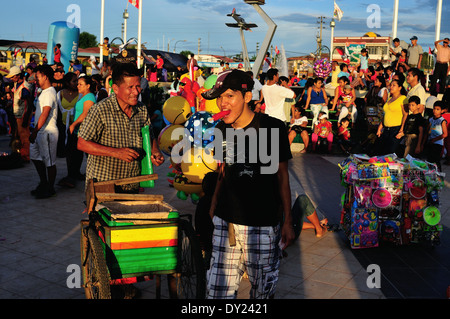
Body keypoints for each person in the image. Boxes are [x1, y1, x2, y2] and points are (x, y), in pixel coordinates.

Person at [201, 69, 295, 299]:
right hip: (226, 223)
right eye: (220, 97)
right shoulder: (222, 129)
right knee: (217, 292)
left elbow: (282, 176)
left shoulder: (272, 128)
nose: (223, 103)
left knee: (262, 293)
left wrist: (288, 220)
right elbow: (223, 169)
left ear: (247, 97)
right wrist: (214, 202)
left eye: (229, 96)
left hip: (262, 226)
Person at [77, 63, 165, 194]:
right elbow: (82, 143)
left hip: (132, 184)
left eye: (138, 86)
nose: (136, 92)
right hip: (103, 185)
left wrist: (155, 151)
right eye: (130, 87)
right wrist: (116, 152)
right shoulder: (100, 110)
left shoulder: (141, 109)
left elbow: (149, 135)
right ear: (116, 89)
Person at [59, 76, 97, 187]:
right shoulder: (83, 96)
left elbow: (85, 113)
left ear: (88, 86)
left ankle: (72, 178)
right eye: (77, 84)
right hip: (78, 130)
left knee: (75, 155)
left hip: (83, 131)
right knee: (75, 155)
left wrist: (74, 124)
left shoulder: (89, 97)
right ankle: (74, 175)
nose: (77, 86)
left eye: (80, 84)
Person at [29, 64, 59, 199]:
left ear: (45, 77)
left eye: (38, 77)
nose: (36, 80)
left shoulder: (49, 92)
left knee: (49, 162)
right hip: (40, 131)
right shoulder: (44, 92)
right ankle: (43, 182)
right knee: (35, 156)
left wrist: (35, 131)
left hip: (47, 132)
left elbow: (45, 113)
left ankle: (50, 187)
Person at [6, 65, 33, 162]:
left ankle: (25, 156)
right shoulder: (16, 84)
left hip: (23, 115)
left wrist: (26, 118)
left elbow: (29, 103)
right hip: (18, 115)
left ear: (17, 76)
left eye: (12, 77)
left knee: (24, 137)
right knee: (19, 136)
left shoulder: (24, 87)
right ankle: (20, 153)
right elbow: (17, 97)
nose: (11, 79)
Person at [376, 79, 408, 155]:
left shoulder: (403, 98)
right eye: (391, 85)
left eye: (394, 85)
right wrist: (380, 126)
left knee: (392, 153)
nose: (391, 87)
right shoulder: (389, 99)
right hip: (386, 129)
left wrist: (402, 129)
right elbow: (385, 113)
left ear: (399, 88)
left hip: (396, 129)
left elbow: (405, 114)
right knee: (383, 152)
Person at [56, 72, 78, 159]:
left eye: (77, 81)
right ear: (67, 83)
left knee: (75, 152)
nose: (76, 83)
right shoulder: (60, 94)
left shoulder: (80, 93)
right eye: (74, 81)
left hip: (76, 127)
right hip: (63, 125)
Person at [422, 101, 447, 171]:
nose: (435, 111)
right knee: (429, 160)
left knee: (436, 161)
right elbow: (427, 132)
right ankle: (430, 176)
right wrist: (423, 143)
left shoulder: (442, 121)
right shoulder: (431, 119)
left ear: (442, 111)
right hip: (430, 143)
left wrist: (435, 139)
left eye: (438, 109)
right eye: (434, 109)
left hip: (438, 144)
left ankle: (439, 176)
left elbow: (445, 134)